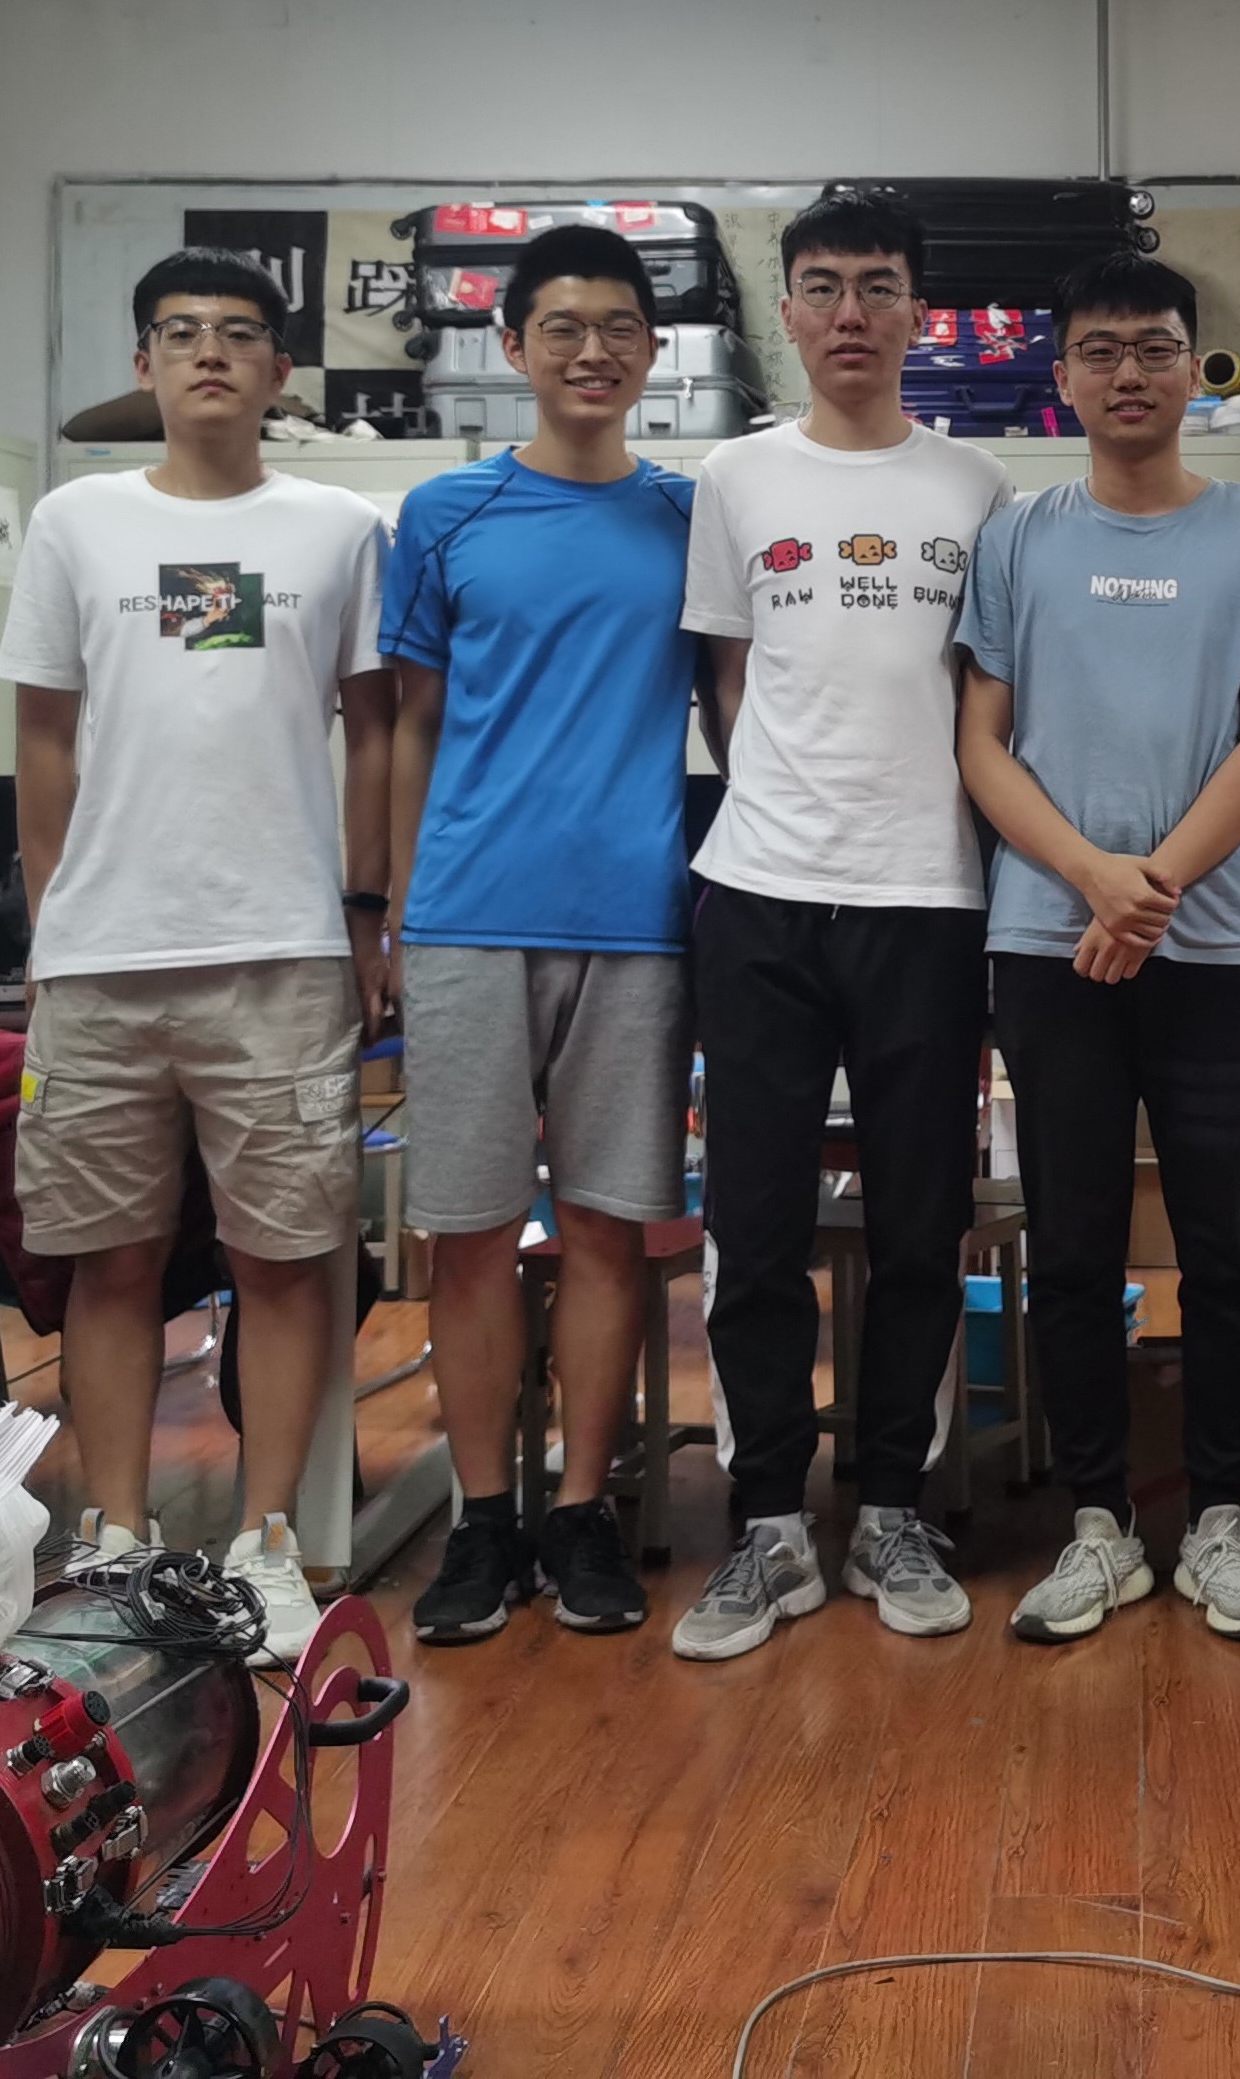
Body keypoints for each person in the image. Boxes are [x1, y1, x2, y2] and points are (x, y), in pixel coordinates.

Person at [1, 249, 393, 1664]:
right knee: (108, 1263)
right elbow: (43, 737)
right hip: (104, 960)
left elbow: (376, 729)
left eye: (238, 334)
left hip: (280, 951)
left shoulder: (341, 529)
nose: (210, 354)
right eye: (181, 333)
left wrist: (367, 912)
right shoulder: (76, 521)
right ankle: (114, 1536)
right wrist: (53, 923)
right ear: (145, 363)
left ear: (280, 372)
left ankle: (269, 1540)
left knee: (282, 1260)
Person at [957, 248, 1240, 1646]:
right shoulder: (1017, 537)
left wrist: (1156, 888)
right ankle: (1098, 1528)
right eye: (1101, 350)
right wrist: (1092, 882)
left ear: (1194, 368)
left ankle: (1223, 1521)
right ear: (1061, 376)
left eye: (1156, 348)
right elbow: (981, 742)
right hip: (1047, 943)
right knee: (1069, 1245)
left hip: (1225, 951)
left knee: (1227, 1251)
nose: (1129, 373)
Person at [668, 192, 1013, 1662]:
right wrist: (788, 806)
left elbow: (989, 697)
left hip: (928, 899)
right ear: (790, 312)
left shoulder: (981, 487)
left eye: (879, 286)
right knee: (752, 1226)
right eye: (823, 287)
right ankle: (765, 1522)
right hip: (758, 895)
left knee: (921, 1227)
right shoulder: (733, 478)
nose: (852, 312)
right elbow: (729, 680)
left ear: (919, 312)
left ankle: (889, 1508)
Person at [384, 226, 705, 1648]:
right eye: (562, 326)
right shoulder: (445, 513)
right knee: (464, 1233)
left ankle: (580, 1511)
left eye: (619, 326)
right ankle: (481, 1519)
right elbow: (411, 724)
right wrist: (394, 908)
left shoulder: (690, 516)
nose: (592, 351)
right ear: (512, 347)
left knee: (605, 1230)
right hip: (467, 915)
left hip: (635, 917)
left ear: (652, 351)